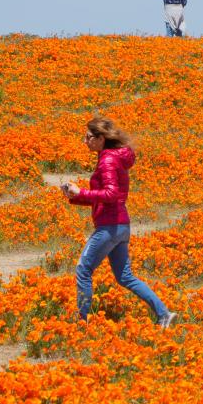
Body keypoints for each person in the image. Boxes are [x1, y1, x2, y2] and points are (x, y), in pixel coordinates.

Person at [63, 117, 177, 328]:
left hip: (109, 226)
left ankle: (81, 324)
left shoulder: (107, 160)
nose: (84, 141)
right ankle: (164, 314)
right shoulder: (113, 157)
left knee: (83, 269)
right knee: (125, 277)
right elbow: (106, 196)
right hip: (120, 225)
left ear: (100, 138)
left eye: (87, 137)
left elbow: (111, 193)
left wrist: (82, 191)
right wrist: (74, 197)